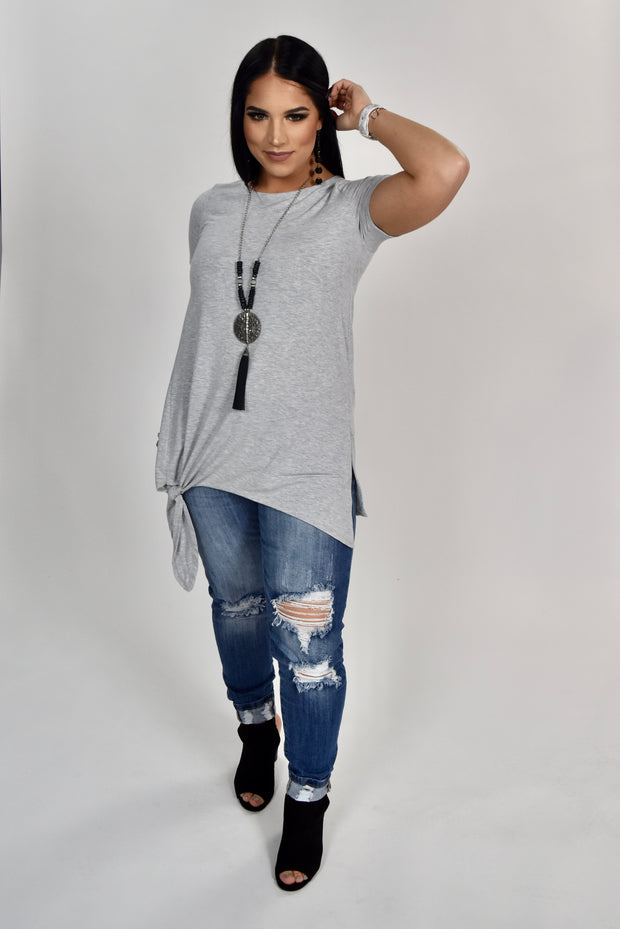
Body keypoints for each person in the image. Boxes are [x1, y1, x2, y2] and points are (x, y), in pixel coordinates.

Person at [155, 34, 468, 891]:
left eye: (296, 115)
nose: (275, 135)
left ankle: (308, 794)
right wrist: (175, 447)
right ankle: (256, 727)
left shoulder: (351, 211)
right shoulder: (211, 209)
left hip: (303, 474)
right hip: (212, 460)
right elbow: (208, 339)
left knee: (310, 646)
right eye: (258, 115)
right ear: (239, 119)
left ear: (318, 119)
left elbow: (445, 169)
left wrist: (366, 117)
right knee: (237, 609)